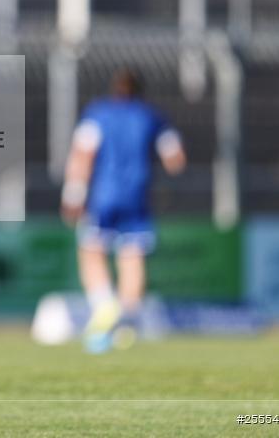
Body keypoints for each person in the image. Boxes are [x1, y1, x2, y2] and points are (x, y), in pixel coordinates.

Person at [61, 69, 186, 353]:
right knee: (133, 259)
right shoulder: (152, 116)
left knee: (91, 252)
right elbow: (175, 159)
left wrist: (73, 194)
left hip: (103, 196)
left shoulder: (98, 113)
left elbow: (83, 155)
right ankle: (126, 322)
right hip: (137, 196)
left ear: (114, 88)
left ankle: (106, 307)